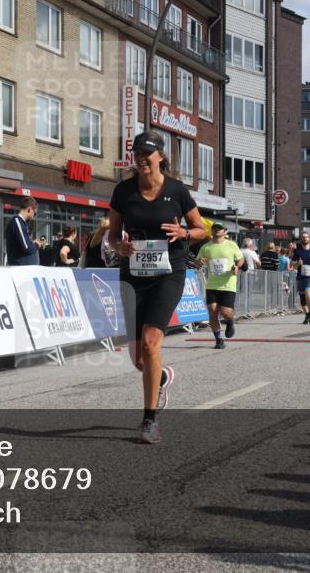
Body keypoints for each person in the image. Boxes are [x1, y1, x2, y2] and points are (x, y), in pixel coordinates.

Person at [108, 131, 206, 444]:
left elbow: (202, 228)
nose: (141, 159)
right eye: (137, 154)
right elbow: (111, 234)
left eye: (146, 154)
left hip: (169, 272)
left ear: (160, 156)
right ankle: (161, 376)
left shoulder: (177, 190)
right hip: (133, 275)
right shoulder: (123, 191)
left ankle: (149, 420)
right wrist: (118, 246)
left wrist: (184, 232)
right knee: (139, 358)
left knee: (151, 343)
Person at [197, 223, 245, 349]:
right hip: (212, 284)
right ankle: (219, 339)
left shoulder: (231, 245)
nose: (216, 230)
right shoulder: (206, 247)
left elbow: (241, 259)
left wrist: (237, 266)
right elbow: (198, 262)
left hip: (228, 284)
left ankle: (230, 321)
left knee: (225, 312)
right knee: (212, 311)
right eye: (214, 228)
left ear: (225, 231)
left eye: (219, 228)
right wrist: (200, 261)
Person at [6, 196, 45, 265]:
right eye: (34, 213)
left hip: (23, 267)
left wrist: (32, 243)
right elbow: (27, 248)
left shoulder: (20, 223)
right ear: (29, 210)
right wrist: (37, 245)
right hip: (21, 268)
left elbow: (23, 245)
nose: (33, 217)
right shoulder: (17, 222)